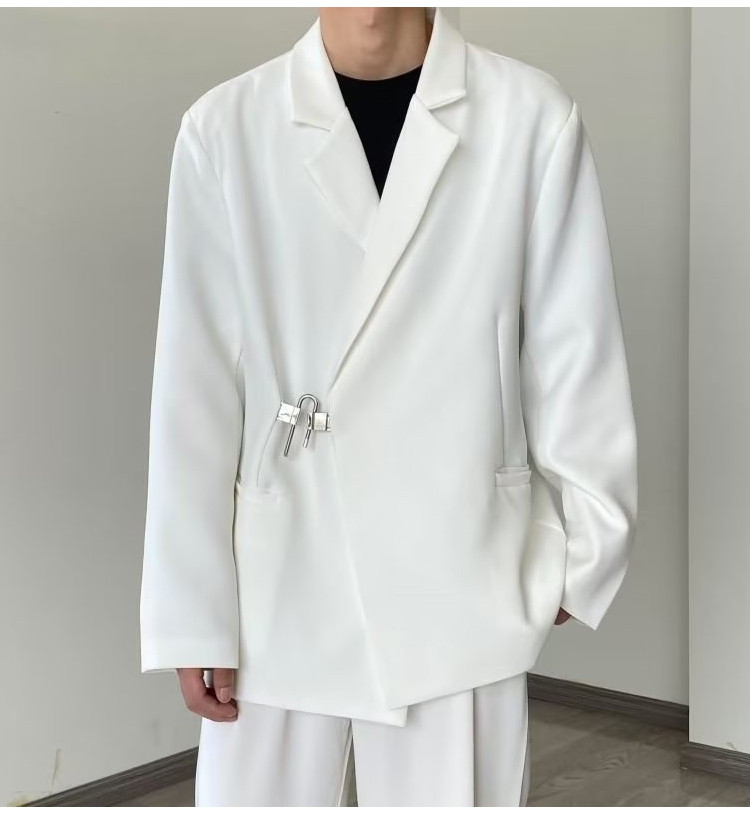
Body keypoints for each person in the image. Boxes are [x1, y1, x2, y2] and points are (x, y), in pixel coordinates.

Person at [140, 6, 638, 806]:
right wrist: (191, 605)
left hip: (460, 572)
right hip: (279, 576)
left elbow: (575, 346)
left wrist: (583, 548)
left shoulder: (531, 117)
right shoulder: (224, 128)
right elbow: (193, 386)